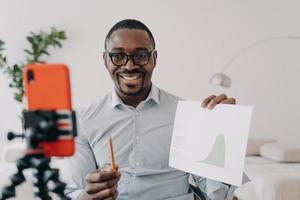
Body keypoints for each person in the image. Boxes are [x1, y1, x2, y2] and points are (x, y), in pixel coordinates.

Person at [62, 19, 245, 200]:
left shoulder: (186, 114)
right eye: (118, 56)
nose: (129, 66)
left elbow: (217, 194)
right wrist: (89, 196)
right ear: (105, 59)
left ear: (154, 58)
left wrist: (226, 134)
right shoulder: (83, 120)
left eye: (141, 55)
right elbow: (73, 192)